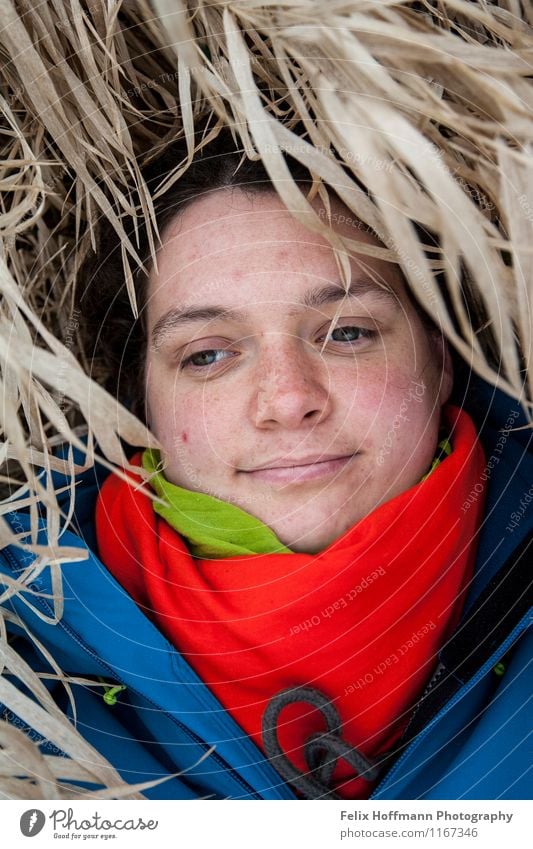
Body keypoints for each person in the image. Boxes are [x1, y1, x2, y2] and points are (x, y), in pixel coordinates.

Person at [1, 132, 531, 800]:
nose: (287, 399)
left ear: (439, 358)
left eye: (346, 333)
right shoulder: (22, 664)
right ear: (140, 406)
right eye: (207, 354)